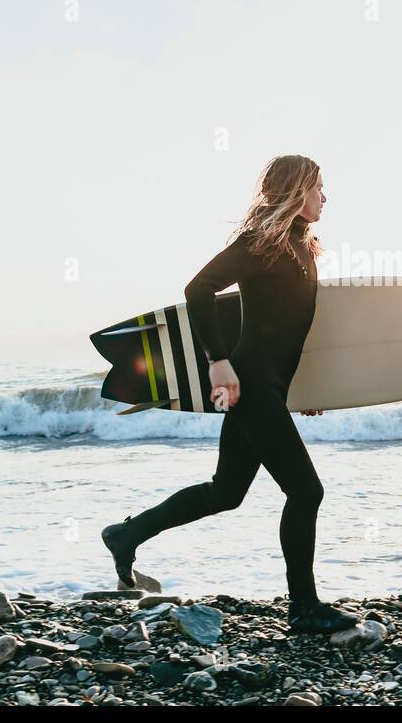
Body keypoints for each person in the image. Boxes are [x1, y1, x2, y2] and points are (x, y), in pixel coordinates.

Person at [101, 155, 360, 635]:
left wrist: (305, 388)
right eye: (318, 187)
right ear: (295, 190)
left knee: (226, 492)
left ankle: (126, 534)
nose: (325, 197)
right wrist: (217, 361)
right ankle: (303, 606)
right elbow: (199, 289)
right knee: (306, 491)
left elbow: (289, 330)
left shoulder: (305, 248)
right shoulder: (259, 244)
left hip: (269, 388)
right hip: (251, 384)